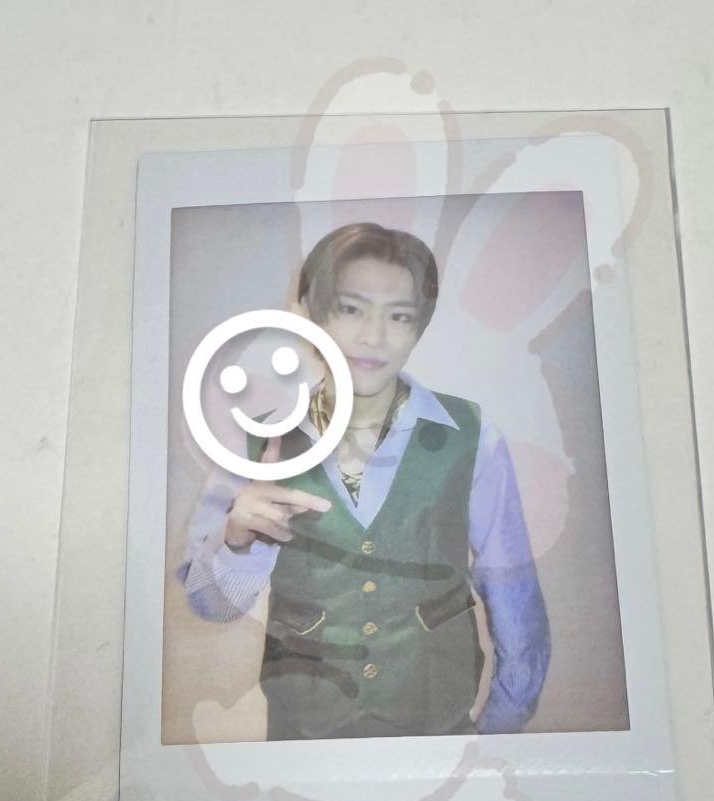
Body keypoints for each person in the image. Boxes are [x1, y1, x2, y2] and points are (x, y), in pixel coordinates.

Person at [177, 222, 551, 740]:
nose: (374, 336)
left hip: (436, 728)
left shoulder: (473, 435)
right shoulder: (253, 444)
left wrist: (501, 729)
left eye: (399, 316)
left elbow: (513, 592)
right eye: (351, 309)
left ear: (419, 327)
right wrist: (239, 541)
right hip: (302, 736)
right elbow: (211, 607)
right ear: (310, 314)